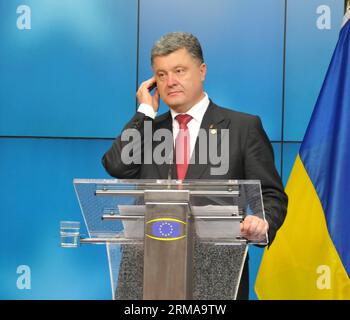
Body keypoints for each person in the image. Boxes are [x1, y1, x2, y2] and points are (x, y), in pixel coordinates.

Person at [102, 32, 288, 299]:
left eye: (179, 70)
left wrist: (261, 221)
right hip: (147, 275)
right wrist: (145, 111)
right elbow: (116, 166)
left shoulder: (242, 128)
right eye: (161, 75)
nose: (171, 82)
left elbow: (272, 196)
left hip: (216, 275)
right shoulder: (148, 129)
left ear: (202, 71)